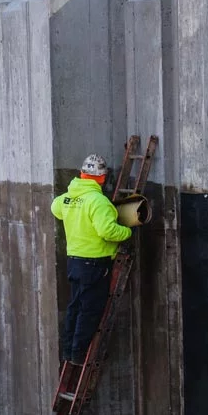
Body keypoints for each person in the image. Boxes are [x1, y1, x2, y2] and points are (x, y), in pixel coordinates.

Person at [51, 153, 139, 368]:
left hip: (74, 262)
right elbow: (107, 231)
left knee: (75, 306)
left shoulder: (67, 198)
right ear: (102, 178)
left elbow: (55, 209)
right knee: (89, 310)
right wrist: (127, 232)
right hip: (94, 264)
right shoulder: (98, 201)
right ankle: (79, 353)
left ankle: (68, 351)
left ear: (81, 174)